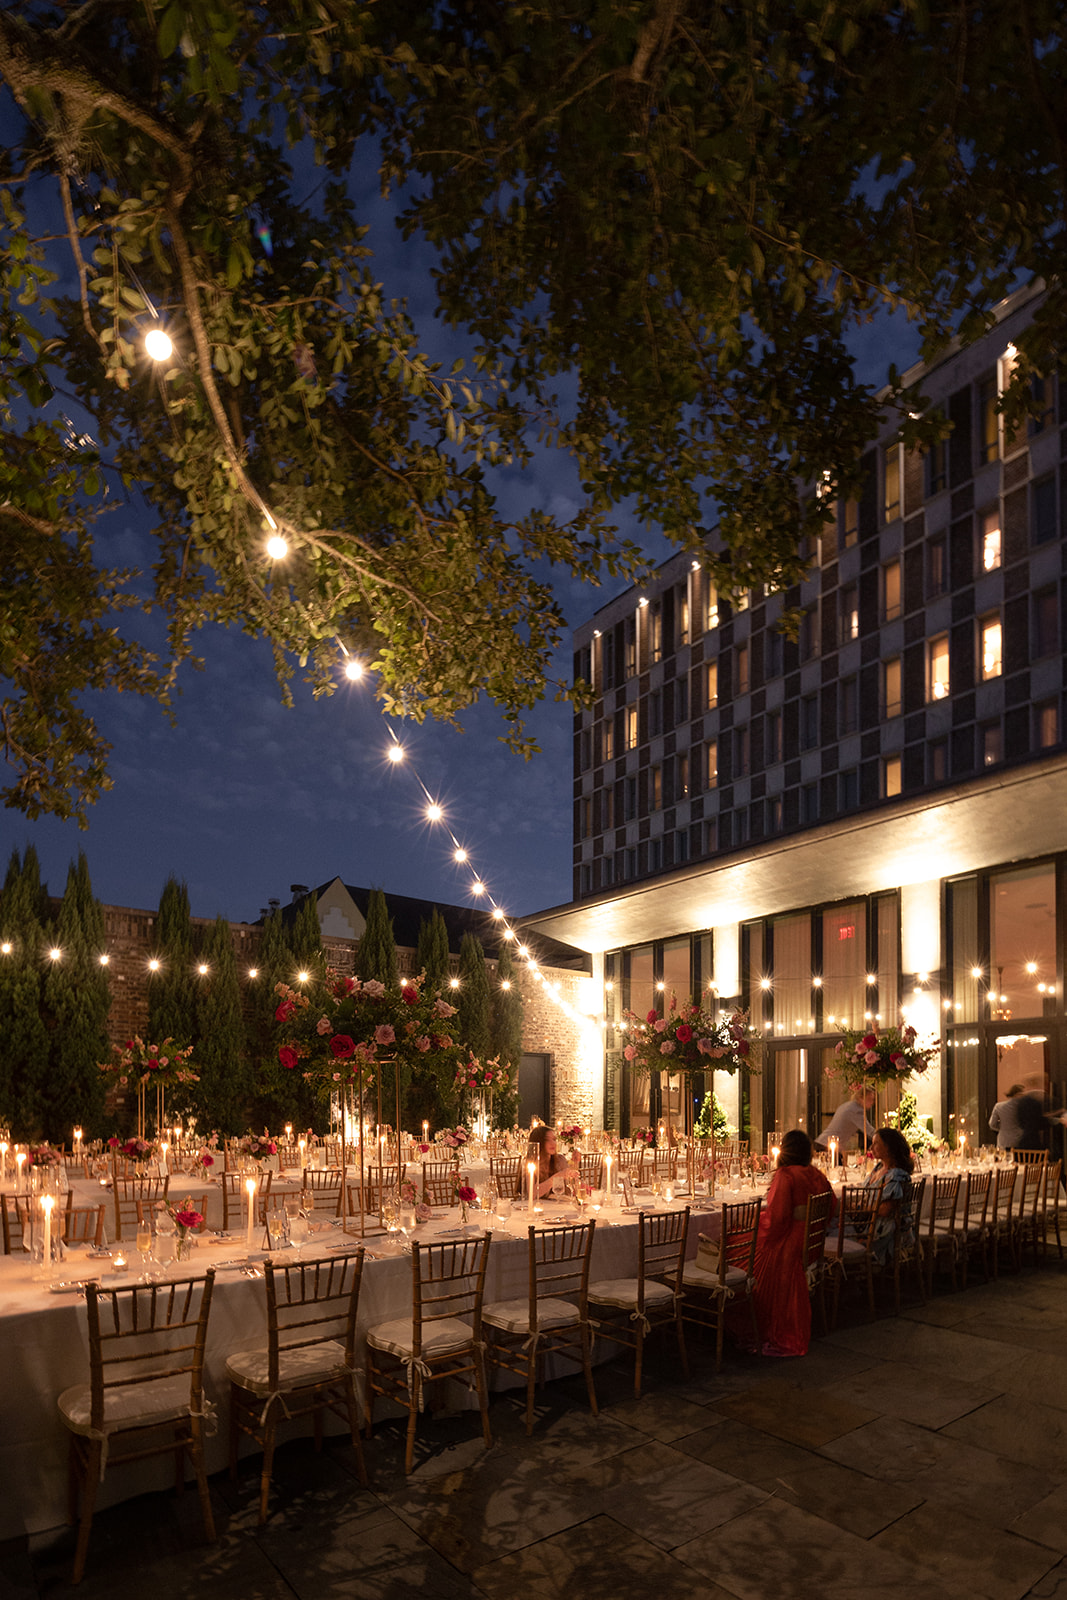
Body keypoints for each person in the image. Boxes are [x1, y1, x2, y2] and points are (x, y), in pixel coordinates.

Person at [750, 1129, 836, 1357]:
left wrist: (758, 1223)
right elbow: (832, 1206)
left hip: (789, 1245)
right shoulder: (816, 1174)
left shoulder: (786, 1175)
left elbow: (777, 1220)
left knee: (739, 1246)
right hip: (812, 1242)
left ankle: (748, 1321)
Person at [861, 1126, 915, 1265]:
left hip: (884, 1231)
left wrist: (861, 1208)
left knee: (837, 1233)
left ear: (888, 1148)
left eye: (876, 1143)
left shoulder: (896, 1175)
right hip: (871, 1223)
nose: (871, 1147)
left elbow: (886, 1210)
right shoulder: (879, 1168)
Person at [517, 1125, 578, 1200]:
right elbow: (532, 1194)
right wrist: (557, 1177)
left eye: (554, 1139)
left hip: (555, 1208)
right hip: (532, 1208)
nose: (553, 1143)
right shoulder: (530, 1164)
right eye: (547, 1140)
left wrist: (575, 1165)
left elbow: (571, 1191)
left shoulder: (560, 1160)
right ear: (538, 1142)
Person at [815, 1085, 876, 1157]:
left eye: (873, 1099)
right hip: (827, 1147)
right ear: (861, 1098)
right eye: (869, 1099)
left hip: (822, 1143)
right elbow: (869, 1130)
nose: (872, 1102)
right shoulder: (856, 1111)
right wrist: (885, 1139)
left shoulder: (847, 1105)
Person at [989, 1084, 1028, 1150]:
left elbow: (992, 1124)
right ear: (1018, 1094)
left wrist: (1003, 1128)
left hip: (1004, 1142)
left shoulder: (999, 1106)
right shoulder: (1025, 1107)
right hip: (1020, 1142)